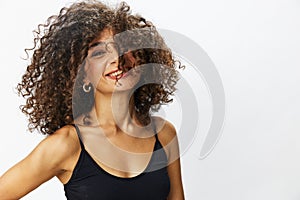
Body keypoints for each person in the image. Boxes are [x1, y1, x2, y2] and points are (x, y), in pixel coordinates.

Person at [0, 1, 185, 199]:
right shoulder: (67, 144)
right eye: (98, 53)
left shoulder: (164, 134)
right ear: (82, 75)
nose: (117, 59)